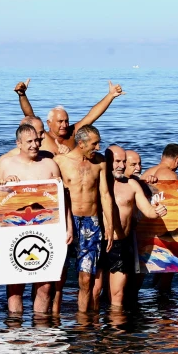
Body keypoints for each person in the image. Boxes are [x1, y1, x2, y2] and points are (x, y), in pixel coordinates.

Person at [0, 123, 71, 316]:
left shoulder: (49, 164)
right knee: (15, 285)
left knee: (45, 285)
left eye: (37, 140)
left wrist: (69, 227)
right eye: (29, 141)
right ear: (18, 143)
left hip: (47, 231)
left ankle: (41, 329)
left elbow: (64, 199)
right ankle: (15, 328)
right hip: (14, 232)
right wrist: (0, 183)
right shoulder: (6, 164)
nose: (34, 145)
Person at [54, 124, 115, 314]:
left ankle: (82, 320)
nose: (97, 148)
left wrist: (110, 227)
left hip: (91, 222)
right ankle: (54, 316)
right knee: (59, 275)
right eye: (94, 144)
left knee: (87, 277)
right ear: (80, 143)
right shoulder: (60, 162)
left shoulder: (100, 162)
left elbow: (105, 194)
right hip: (66, 222)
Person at [105, 145, 167, 308]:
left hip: (121, 243)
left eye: (124, 161)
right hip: (100, 241)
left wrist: (158, 211)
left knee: (118, 294)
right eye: (117, 161)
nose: (121, 165)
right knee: (97, 290)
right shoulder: (100, 182)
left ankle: (117, 332)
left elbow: (148, 211)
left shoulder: (132, 185)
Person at [13, 78, 124, 156]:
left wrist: (110, 96)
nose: (64, 125)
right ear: (49, 123)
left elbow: (91, 116)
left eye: (66, 121)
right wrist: (22, 95)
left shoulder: (73, 133)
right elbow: (30, 115)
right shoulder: (43, 137)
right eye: (60, 121)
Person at [139, 143, 178, 293]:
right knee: (168, 267)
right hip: (163, 227)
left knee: (140, 269)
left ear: (162, 156)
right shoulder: (171, 175)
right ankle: (163, 300)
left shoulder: (147, 174)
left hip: (143, 227)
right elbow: (176, 205)